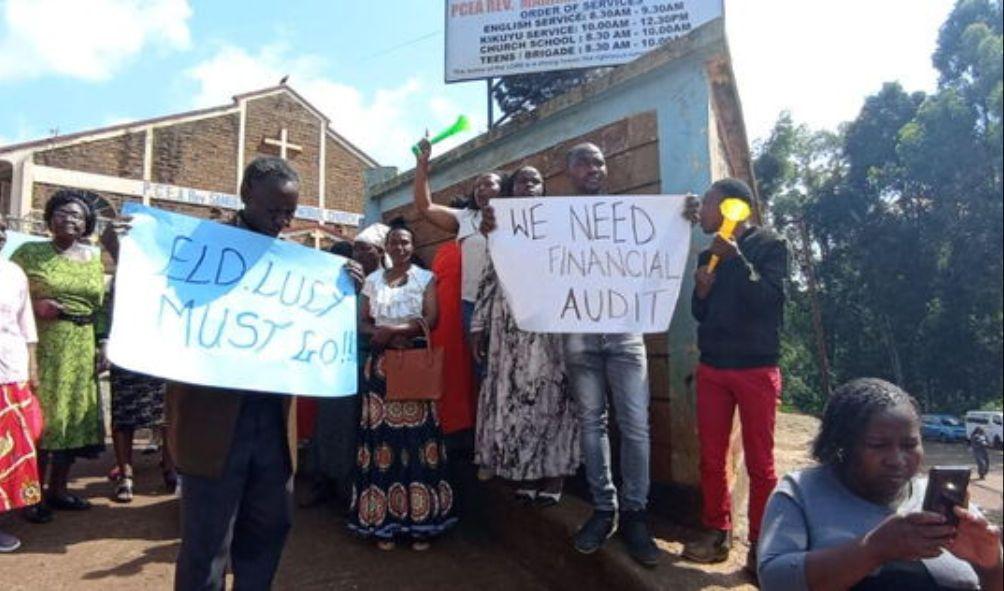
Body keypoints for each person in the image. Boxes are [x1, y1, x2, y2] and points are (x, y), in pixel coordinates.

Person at [481, 143, 697, 567]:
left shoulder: (627, 214)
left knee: (635, 425)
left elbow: (664, 238)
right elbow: (519, 256)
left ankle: (635, 514)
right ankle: (604, 509)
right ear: (568, 173)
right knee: (591, 424)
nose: (593, 168)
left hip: (624, 336)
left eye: (600, 161)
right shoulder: (551, 221)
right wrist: (494, 225)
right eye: (584, 162)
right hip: (578, 336)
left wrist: (684, 213)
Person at [102, 157, 302, 590]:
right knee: (207, 544)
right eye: (274, 210)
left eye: (290, 212)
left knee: (268, 531)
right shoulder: (197, 247)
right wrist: (125, 252)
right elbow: (156, 292)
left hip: (272, 423)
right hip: (213, 423)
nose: (283, 221)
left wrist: (344, 285)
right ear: (246, 193)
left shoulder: (297, 264)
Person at [758, 378, 1003, 591]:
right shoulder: (802, 492)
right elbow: (774, 580)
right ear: (842, 445)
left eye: (909, 445)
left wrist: (992, 566)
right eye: (878, 445)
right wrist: (874, 549)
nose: (897, 460)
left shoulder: (946, 503)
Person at [682, 178, 788, 572]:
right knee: (711, 458)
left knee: (761, 465)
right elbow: (699, 313)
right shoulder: (705, 256)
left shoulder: (770, 247)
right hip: (713, 369)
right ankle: (716, 532)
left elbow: (770, 301)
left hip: (756, 369)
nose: (701, 214)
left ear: (730, 210)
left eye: (708, 205)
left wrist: (737, 258)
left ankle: (762, 545)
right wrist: (702, 292)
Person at [470, 165, 580, 506]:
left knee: (553, 397)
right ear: (511, 189)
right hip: (509, 329)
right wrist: (478, 326)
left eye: (536, 180)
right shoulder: (499, 226)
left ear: (543, 188)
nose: (528, 185)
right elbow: (489, 277)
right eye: (521, 181)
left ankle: (555, 474)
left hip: (550, 328)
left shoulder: (562, 222)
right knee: (521, 401)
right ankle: (529, 472)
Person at [348, 222, 456, 550]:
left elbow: (431, 318)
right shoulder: (371, 281)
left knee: (417, 441)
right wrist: (379, 334)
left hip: (412, 365)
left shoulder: (425, 279)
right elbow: (363, 321)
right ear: (386, 248)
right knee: (383, 444)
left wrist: (393, 330)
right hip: (380, 369)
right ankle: (384, 522)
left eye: (406, 242)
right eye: (394, 242)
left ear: (413, 246)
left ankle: (421, 524)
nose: (400, 247)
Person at [11, 190, 107, 524]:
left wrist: (102, 342)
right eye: (62, 213)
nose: (70, 219)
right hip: (44, 344)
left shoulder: (94, 257)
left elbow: (101, 305)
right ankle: (30, 495)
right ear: (49, 218)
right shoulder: (29, 253)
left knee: (71, 419)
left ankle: (59, 490)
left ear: (87, 224)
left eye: (78, 215)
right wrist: (36, 308)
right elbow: (8, 295)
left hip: (81, 346)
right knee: (41, 421)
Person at [302, 227, 387, 508]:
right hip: (336, 363)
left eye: (367, 249)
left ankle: (348, 491)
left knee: (355, 431)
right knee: (328, 424)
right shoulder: (343, 277)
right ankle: (322, 482)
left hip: (368, 365)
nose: (360, 254)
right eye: (357, 248)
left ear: (381, 252)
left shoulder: (386, 282)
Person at [412, 138, 505, 351]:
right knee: (481, 367)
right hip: (472, 304)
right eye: (477, 186)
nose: (480, 189)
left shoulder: (519, 215)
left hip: (507, 302)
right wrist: (422, 167)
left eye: (488, 184)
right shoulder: (465, 217)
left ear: (503, 188)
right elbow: (424, 206)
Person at [0, 222, 44, 552]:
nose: (1, 234)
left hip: (10, 373)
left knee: (8, 453)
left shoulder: (14, 273)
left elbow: (25, 324)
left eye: (2, 229)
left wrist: (31, 367)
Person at [108, 364, 175, 502]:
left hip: (161, 354)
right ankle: (125, 477)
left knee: (167, 410)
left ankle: (170, 470)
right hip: (126, 354)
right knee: (122, 410)